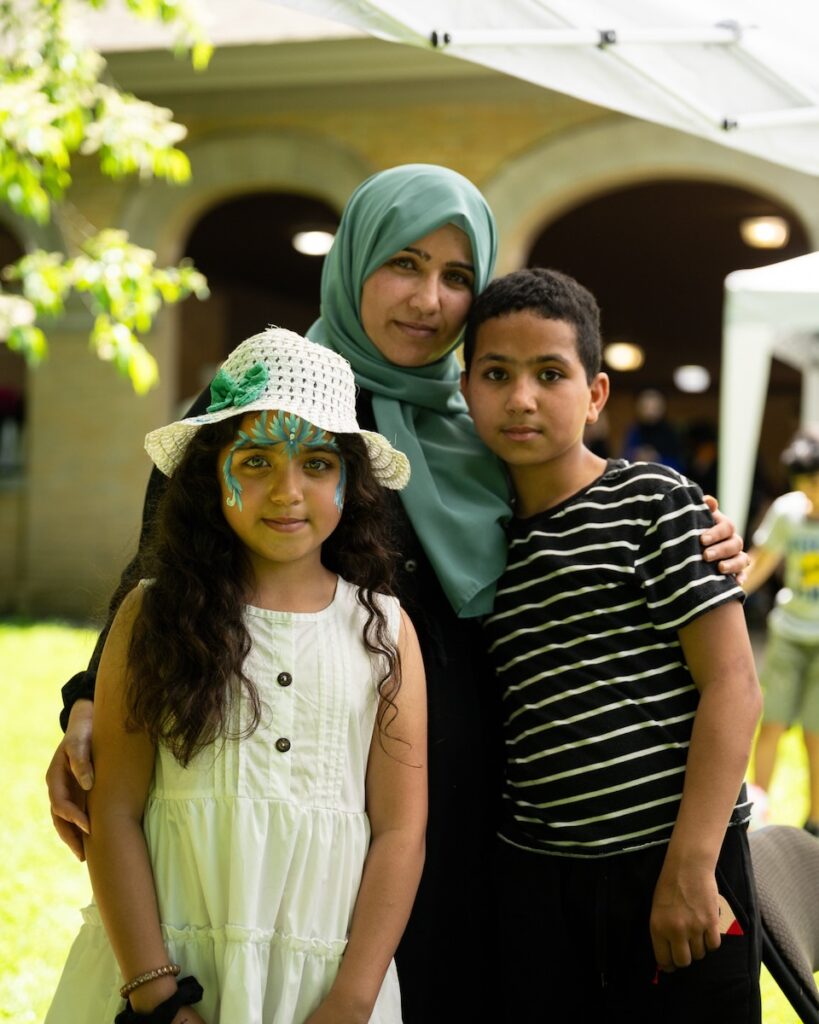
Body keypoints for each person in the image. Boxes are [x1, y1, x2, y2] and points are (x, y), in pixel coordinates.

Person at [46, 165, 748, 1021]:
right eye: (403, 265)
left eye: (457, 278)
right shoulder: (269, 404)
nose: (428, 300)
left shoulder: (491, 423)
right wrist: (87, 701)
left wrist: (696, 526)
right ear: (353, 264)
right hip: (316, 800)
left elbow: (590, 508)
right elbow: (164, 573)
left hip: (491, 814)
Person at [46, 328, 427, 1024]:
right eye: (254, 462)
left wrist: (352, 998)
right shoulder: (152, 613)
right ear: (207, 476)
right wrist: (156, 994)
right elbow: (117, 813)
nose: (287, 491)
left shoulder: (384, 631)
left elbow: (401, 831)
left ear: (351, 479)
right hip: (163, 966)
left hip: (325, 984)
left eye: (317, 463)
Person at [460, 268, 762, 1023]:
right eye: (495, 374)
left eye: (549, 374)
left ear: (595, 394)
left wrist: (690, 867)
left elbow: (733, 685)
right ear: (464, 390)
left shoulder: (652, 502)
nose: (520, 398)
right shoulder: (474, 542)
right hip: (537, 882)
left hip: (676, 864)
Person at [743, 427, 819, 838]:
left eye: (815, 484)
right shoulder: (789, 511)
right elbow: (759, 564)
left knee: (816, 733)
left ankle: (815, 824)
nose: (810, 495)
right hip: (789, 633)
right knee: (770, 724)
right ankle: (758, 817)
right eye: (803, 486)